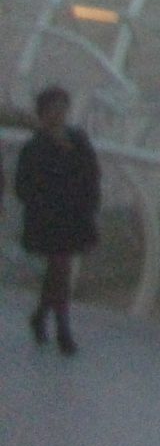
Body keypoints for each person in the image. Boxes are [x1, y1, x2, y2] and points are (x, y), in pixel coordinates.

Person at [15, 85, 102, 357]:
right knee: (60, 269)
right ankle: (62, 329)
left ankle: (42, 316)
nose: (59, 114)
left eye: (62, 108)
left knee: (58, 270)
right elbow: (24, 186)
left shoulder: (77, 139)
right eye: (53, 109)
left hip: (73, 216)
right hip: (49, 219)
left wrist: (88, 204)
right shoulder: (34, 147)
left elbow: (91, 173)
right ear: (43, 112)